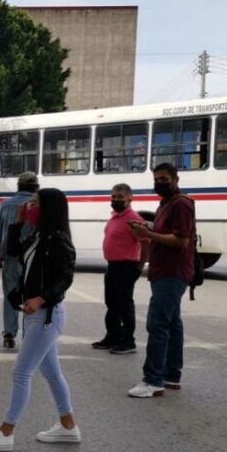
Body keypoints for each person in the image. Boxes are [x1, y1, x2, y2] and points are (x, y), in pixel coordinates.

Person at [0, 188, 79, 452]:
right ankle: (68, 426)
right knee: (52, 373)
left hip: (47, 315)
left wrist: (41, 299)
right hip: (36, 315)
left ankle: (6, 431)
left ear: (49, 208)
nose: (29, 206)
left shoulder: (58, 240)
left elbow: (65, 278)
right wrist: (18, 223)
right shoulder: (37, 235)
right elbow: (11, 252)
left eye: (34, 203)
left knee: (21, 372)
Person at [127, 163, 196, 398]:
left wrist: (148, 234)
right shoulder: (166, 204)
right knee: (173, 324)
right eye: (156, 179)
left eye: (164, 179)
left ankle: (152, 380)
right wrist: (147, 227)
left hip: (172, 272)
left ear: (176, 179)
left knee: (157, 324)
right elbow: (164, 231)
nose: (159, 183)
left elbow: (181, 241)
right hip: (163, 271)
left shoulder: (182, 204)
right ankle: (171, 375)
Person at [94, 183, 148, 355]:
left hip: (126, 266)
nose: (115, 200)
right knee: (111, 304)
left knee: (124, 304)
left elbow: (146, 242)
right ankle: (112, 337)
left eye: (120, 197)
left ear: (129, 198)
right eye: (113, 197)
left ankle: (128, 341)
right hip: (112, 266)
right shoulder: (115, 217)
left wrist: (140, 266)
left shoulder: (134, 218)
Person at [0, 172, 38, 348]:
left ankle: (9, 334)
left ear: (18, 187)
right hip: (32, 257)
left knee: (10, 295)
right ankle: (29, 334)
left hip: (10, 257)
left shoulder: (5, 205)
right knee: (31, 294)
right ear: (35, 187)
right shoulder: (36, 205)